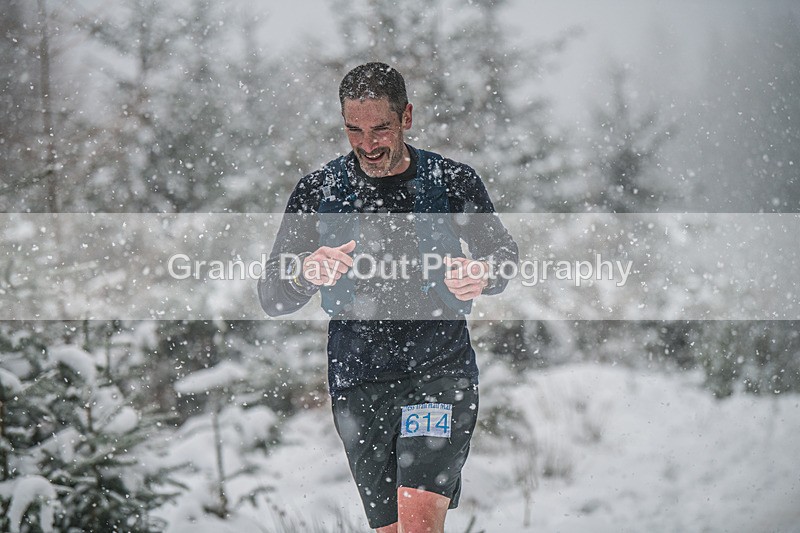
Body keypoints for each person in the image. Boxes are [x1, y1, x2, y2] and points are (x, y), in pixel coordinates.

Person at [258, 62, 517, 533]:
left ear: (407, 117)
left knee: (417, 525)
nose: (368, 143)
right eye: (354, 129)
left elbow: (502, 254)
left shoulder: (450, 182)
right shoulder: (320, 191)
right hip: (359, 380)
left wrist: (483, 272)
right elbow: (273, 295)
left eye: (381, 128)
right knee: (392, 530)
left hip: (438, 371)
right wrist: (303, 274)